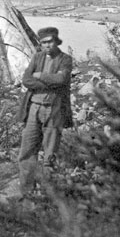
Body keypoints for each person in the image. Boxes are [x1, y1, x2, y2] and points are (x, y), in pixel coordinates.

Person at [17, 26, 73, 196]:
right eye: (43, 43)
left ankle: (49, 192)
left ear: (56, 42)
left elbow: (62, 79)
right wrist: (50, 83)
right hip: (33, 108)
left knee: (50, 152)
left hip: (54, 110)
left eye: (50, 42)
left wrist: (40, 75)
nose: (47, 46)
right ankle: (26, 191)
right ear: (40, 44)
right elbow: (26, 80)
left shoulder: (65, 59)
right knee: (27, 150)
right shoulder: (37, 57)